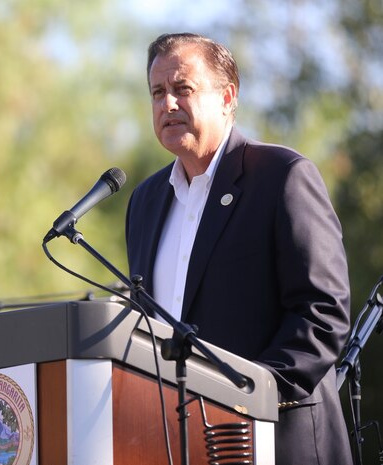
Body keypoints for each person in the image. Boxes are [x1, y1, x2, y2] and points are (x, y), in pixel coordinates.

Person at [125, 32, 353, 465]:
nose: (167, 104)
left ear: (227, 96)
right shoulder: (145, 201)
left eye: (183, 89)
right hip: (178, 444)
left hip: (278, 440)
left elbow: (322, 312)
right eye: (157, 92)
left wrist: (249, 396)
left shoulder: (281, 176)